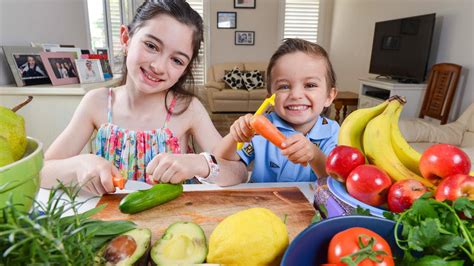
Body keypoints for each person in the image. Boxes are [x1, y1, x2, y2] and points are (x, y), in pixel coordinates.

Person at [40, 0, 245, 195]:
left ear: (184, 69)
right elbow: (41, 172)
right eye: (151, 46)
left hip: (176, 221)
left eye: (176, 60)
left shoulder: (188, 108)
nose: (158, 67)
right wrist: (79, 164)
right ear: (126, 39)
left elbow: (239, 172)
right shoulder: (97, 103)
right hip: (116, 221)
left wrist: (201, 164)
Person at [213, 38, 339, 184]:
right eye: (284, 87)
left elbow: (335, 181)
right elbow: (220, 159)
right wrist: (235, 136)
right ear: (270, 97)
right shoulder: (261, 126)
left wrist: (315, 156)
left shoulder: (333, 132)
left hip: (309, 205)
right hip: (261, 202)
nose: (296, 95)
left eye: (310, 85)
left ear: (329, 96)